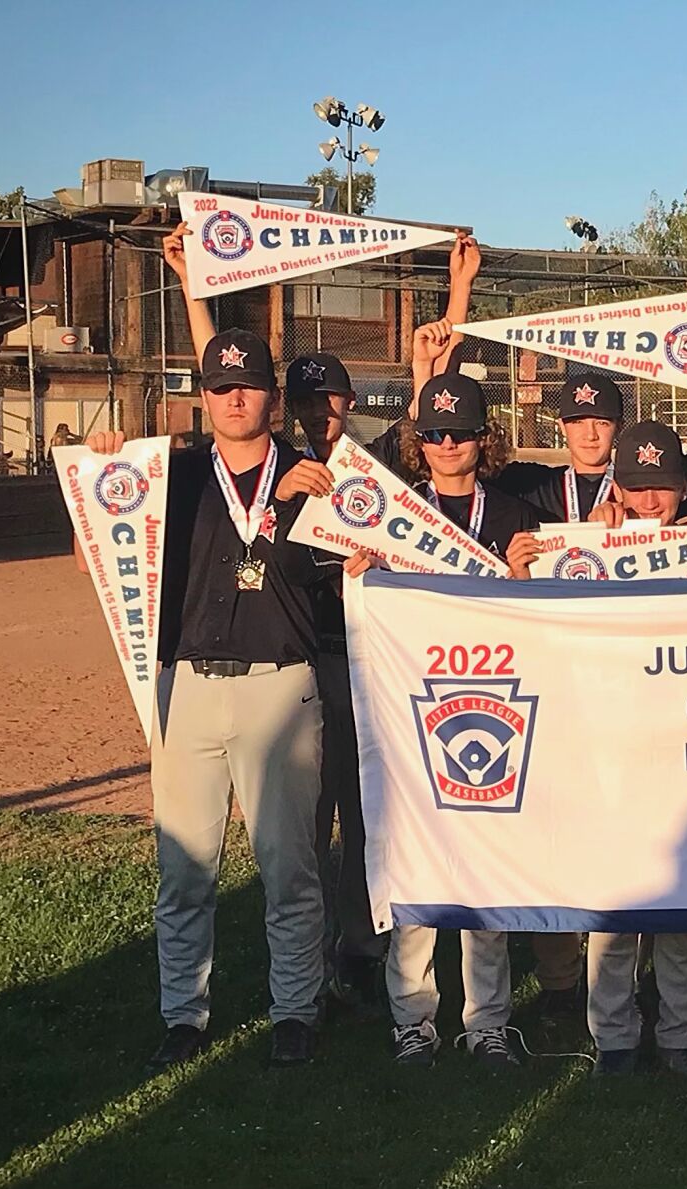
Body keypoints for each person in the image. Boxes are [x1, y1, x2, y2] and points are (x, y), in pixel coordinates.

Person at [85, 328, 331, 1069]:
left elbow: (350, 564)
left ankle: (296, 1008)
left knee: (289, 867)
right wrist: (104, 478)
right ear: (204, 393)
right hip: (184, 684)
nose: (234, 396)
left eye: (248, 384)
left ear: (272, 397)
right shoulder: (171, 473)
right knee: (184, 866)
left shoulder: (312, 474)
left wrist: (294, 512)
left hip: (279, 685)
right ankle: (183, 1016)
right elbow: (95, 545)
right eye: (220, 385)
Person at [340, 374, 543, 1069]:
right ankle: (413, 1020)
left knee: (484, 869)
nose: (447, 444)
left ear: (484, 439)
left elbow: (542, 620)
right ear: (416, 442)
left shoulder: (516, 516)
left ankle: (487, 1020)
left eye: (459, 432)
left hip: (495, 706)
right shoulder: (395, 516)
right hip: (412, 711)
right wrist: (358, 574)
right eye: (433, 433)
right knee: (415, 866)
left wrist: (527, 580)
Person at [584, 420, 687, 1079]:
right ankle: (613, 1037)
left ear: (682, 488)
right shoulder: (591, 545)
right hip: (613, 737)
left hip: (685, 738)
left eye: (660, 487)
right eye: (635, 486)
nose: (647, 501)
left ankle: (681, 1034)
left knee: (682, 900)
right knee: (615, 898)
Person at [271, 350, 389, 1006]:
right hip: (301, 654)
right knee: (309, 816)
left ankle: (361, 946)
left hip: (361, 657)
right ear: (292, 407)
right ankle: (307, 952)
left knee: (362, 806)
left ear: (350, 400)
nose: (322, 410)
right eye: (309, 399)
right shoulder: (281, 472)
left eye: (332, 397)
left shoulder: (375, 468)